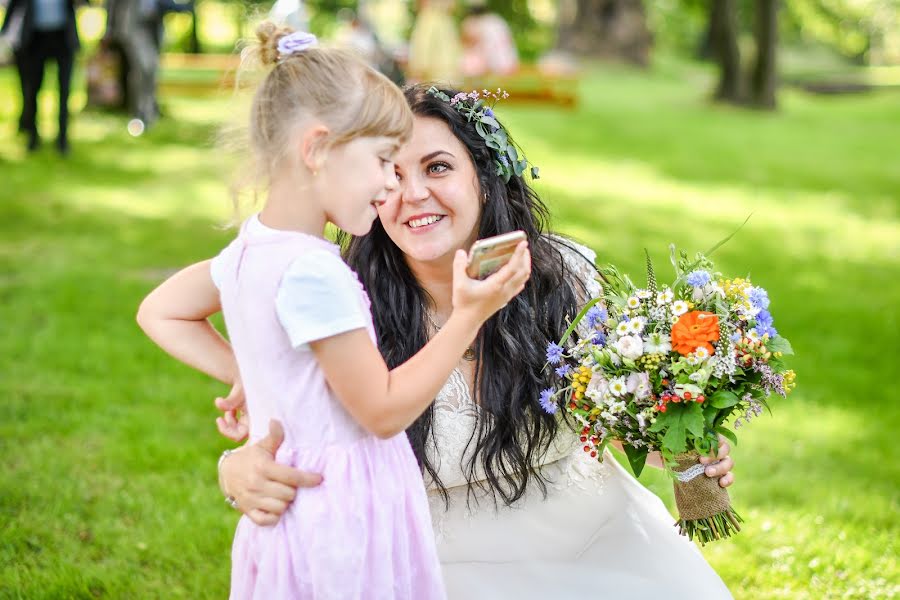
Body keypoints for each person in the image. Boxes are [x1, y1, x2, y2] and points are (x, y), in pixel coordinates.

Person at [214, 82, 737, 598]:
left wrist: (672, 440)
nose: (413, 193)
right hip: (426, 562)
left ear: (484, 178)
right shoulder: (342, 301)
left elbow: (606, 418)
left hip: (589, 539)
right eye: (390, 174)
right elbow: (287, 433)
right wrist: (236, 466)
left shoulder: (563, 277)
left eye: (437, 167)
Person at [136, 24, 532, 599]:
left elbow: (161, 312)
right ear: (318, 148)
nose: (389, 185)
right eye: (382, 162)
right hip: (343, 514)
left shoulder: (248, 251)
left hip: (293, 518)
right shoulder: (315, 271)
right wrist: (471, 315)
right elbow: (382, 410)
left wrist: (249, 368)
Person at [2, 0, 81, 154]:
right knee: (32, 89)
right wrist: (4, 32)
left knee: (64, 91)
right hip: (35, 38)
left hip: (62, 37)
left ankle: (62, 140)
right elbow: (14, 5)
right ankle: (33, 137)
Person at [460, 2, 518, 77]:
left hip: (492, 63)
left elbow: (469, 41)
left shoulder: (475, 22)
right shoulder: (497, 20)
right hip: (504, 62)